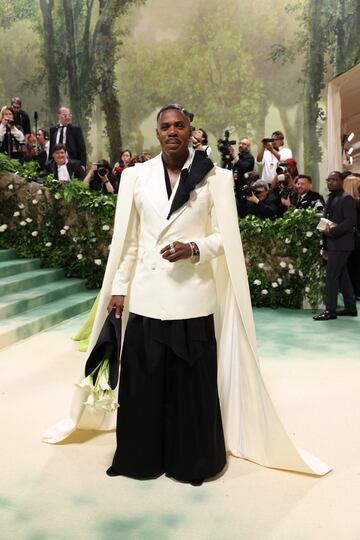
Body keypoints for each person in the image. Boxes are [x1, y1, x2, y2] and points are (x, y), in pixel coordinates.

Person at [43, 103, 331, 482]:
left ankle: (193, 462)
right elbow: (130, 241)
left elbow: (225, 237)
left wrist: (195, 249)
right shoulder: (135, 177)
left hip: (193, 296)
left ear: (191, 129)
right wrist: (118, 289)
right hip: (146, 295)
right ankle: (139, 460)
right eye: (166, 127)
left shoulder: (216, 178)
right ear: (157, 133)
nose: (173, 131)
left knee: (189, 390)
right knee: (142, 386)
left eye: (180, 125)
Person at [313, 171, 357, 321]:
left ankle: (330, 311)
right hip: (333, 244)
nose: (330, 182)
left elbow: (350, 222)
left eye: (334, 180)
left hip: (341, 244)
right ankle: (351, 307)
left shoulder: (347, 199)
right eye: (329, 180)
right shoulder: (331, 198)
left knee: (331, 277)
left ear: (341, 181)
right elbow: (326, 222)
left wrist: (331, 231)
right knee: (342, 276)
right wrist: (325, 246)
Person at [343, 175, 360, 299]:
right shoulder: (355, 203)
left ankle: (353, 292)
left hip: (349, 238)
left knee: (351, 267)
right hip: (355, 238)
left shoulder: (344, 203)